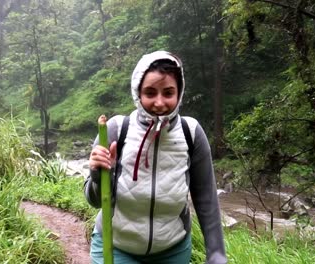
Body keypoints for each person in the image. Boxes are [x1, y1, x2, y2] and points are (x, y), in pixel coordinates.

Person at [84, 50, 227, 264]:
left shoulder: (191, 133)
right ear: (137, 93)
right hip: (117, 248)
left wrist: (216, 252)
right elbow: (94, 200)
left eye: (168, 93)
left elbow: (206, 197)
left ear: (179, 93)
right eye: (150, 93)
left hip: (173, 251)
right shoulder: (115, 130)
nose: (159, 103)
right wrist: (99, 175)